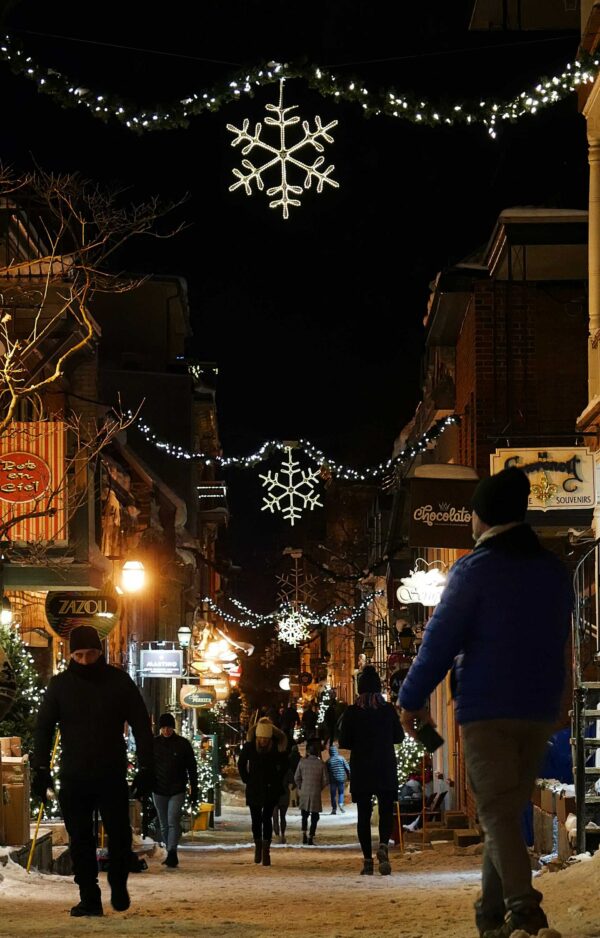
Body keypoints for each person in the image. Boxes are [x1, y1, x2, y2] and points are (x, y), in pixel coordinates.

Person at [398, 467, 572, 938]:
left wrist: (411, 698)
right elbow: (561, 639)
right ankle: (490, 917)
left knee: (495, 812)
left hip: (487, 708)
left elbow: (438, 641)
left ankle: (525, 911)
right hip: (537, 709)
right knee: (506, 815)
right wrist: (561, 697)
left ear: (482, 516)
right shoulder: (553, 570)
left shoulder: (474, 571)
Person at [32, 625, 153, 918]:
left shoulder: (118, 682)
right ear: (72, 654)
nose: (85, 660)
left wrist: (147, 765)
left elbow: (141, 724)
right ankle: (89, 897)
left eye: (90, 654)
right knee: (80, 839)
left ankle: (118, 881)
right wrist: (40, 768)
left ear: (100, 652)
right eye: (79, 655)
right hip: (74, 774)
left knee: (120, 834)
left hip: (110, 771)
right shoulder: (60, 686)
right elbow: (44, 729)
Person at [339, 665, 403, 875]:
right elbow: (399, 737)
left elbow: (345, 741)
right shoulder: (387, 710)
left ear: (359, 688)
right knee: (386, 810)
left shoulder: (352, 712)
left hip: (362, 768)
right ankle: (383, 845)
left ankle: (367, 860)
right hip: (385, 766)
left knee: (363, 815)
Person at [237, 717, 288, 866]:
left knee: (267, 818)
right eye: (261, 738)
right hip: (254, 788)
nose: (263, 741)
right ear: (257, 737)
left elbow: (285, 765)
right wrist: (247, 779)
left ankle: (266, 850)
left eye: (266, 738)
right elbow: (241, 763)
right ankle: (258, 845)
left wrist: (278, 778)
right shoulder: (250, 747)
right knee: (255, 819)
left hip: (271, 788)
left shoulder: (277, 748)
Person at [152, 713, 198, 869]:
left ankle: (172, 851)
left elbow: (192, 768)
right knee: (164, 824)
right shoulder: (154, 744)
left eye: (169, 727)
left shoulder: (182, 744)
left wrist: (194, 788)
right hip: (158, 789)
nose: (166, 731)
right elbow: (148, 767)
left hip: (177, 789)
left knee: (172, 820)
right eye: (163, 728)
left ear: (173, 727)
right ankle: (170, 850)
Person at [294, 738, 329, 845]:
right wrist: (319, 787)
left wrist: (301, 786)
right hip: (315, 793)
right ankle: (311, 836)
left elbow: (296, 777)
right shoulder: (321, 764)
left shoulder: (302, 762)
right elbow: (326, 780)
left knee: (304, 814)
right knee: (315, 816)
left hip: (304, 791)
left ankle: (304, 834)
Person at [326, 743, 350, 814]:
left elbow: (326, 771)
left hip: (332, 780)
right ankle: (340, 803)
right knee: (341, 792)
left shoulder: (329, 761)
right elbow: (347, 768)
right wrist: (349, 776)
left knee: (333, 794)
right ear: (336, 751)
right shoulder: (341, 758)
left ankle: (334, 809)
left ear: (330, 752)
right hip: (341, 779)